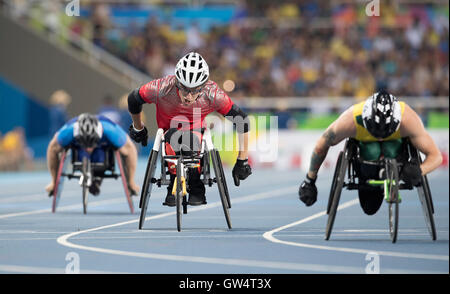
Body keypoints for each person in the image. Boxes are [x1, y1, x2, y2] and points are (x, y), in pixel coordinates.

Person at [127, 51, 252, 207]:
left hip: (196, 134)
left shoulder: (213, 94)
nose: (188, 96)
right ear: (177, 83)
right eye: (185, 89)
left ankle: (195, 184)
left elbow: (242, 121)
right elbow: (133, 99)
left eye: (195, 91)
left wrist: (242, 160)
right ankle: (174, 181)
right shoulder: (161, 87)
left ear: (203, 86)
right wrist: (138, 127)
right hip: (168, 133)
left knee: (192, 140)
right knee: (172, 137)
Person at [298, 90, 443, 215]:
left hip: (397, 155)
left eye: (385, 132)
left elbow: (436, 156)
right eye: (376, 131)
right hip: (366, 159)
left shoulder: (409, 119)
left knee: (389, 147)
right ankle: (371, 177)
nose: (380, 137)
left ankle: (391, 167)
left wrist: (419, 170)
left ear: (397, 121)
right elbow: (321, 146)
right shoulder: (351, 120)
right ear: (365, 119)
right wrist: (310, 180)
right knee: (369, 208)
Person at [45, 113, 140, 196]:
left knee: (114, 153)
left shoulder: (111, 131)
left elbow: (130, 151)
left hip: (102, 147)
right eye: (86, 145)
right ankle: (89, 171)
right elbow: (52, 150)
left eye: (91, 145)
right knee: (76, 153)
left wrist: (131, 181)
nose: (89, 149)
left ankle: (97, 177)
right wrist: (54, 181)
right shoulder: (67, 132)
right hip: (79, 148)